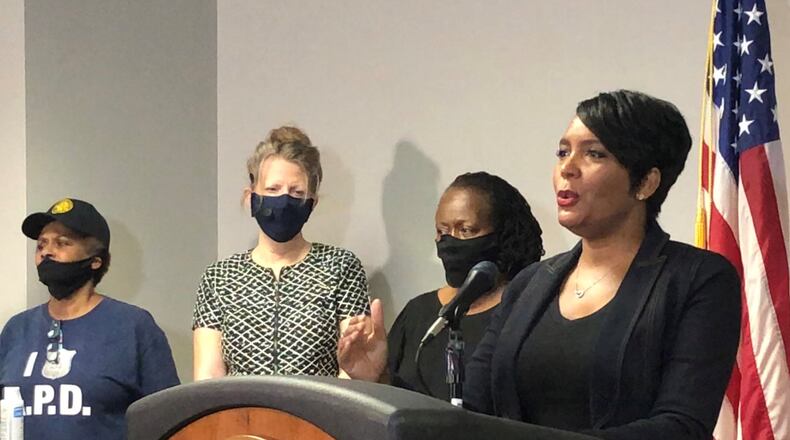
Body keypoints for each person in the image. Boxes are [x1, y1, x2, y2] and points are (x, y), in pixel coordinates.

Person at [463, 90, 741, 439]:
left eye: (594, 153)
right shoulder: (529, 283)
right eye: (563, 151)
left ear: (645, 183)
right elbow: (473, 411)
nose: (567, 167)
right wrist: (378, 381)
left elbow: (680, 426)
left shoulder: (698, 279)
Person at [192, 126, 370, 379]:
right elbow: (208, 379)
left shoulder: (341, 267)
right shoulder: (218, 278)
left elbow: (353, 369)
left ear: (312, 202)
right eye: (273, 190)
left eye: (297, 192)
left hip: (318, 416)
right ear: (251, 197)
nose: (284, 201)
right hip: (240, 417)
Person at [0, 198, 179, 440]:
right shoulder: (16, 329)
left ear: (96, 260)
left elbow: (169, 421)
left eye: (62, 243)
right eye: (41, 245)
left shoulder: (133, 327)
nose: (47, 252)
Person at [382, 172, 544, 400]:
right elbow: (391, 397)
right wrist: (372, 374)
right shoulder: (418, 313)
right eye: (442, 231)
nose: (450, 240)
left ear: (502, 234)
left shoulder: (525, 311)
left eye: (465, 230)